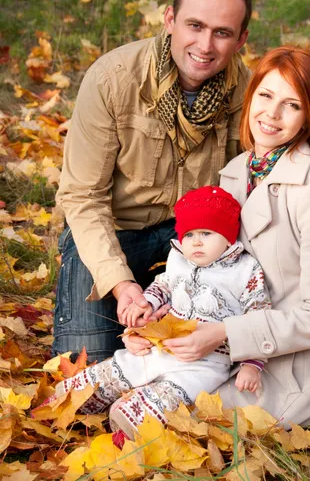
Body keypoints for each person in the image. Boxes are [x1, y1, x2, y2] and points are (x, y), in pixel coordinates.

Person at [121, 46, 310, 428]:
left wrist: (225, 334)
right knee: (120, 385)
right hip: (215, 344)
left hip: (283, 363)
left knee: (150, 420)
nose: (271, 115)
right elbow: (211, 267)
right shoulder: (236, 171)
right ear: (251, 95)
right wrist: (157, 319)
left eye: (292, 105)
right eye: (266, 96)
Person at [54, 0, 252, 364]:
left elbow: (274, 179)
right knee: (90, 366)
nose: (205, 45)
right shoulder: (113, 80)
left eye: (222, 33)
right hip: (115, 232)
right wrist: (121, 283)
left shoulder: (248, 93)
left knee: (209, 362)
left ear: (241, 39)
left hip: (197, 240)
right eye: (194, 25)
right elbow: (82, 196)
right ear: (169, 19)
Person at [51, 186, 271, 438]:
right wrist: (145, 304)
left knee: (174, 394)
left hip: (206, 361)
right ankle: (72, 401)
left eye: (207, 233)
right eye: (189, 235)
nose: (196, 242)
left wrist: (252, 364)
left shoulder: (244, 270)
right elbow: (163, 285)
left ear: (228, 237)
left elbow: (258, 316)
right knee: (124, 365)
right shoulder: (180, 259)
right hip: (163, 344)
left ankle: (129, 422)